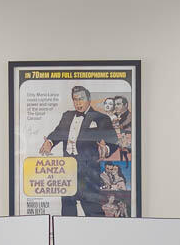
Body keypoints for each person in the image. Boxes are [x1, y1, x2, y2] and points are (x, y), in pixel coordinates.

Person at [40, 86, 119, 216]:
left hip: (88, 173)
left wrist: (105, 148)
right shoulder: (67, 115)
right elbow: (58, 132)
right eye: (75, 99)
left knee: (93, 212)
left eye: (81, 99)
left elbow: (114, 141)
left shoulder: (101, 118)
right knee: (67, 211)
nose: (78, 103)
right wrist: (49, 142)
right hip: (67, 171)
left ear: (89, 99)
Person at [111, 95, 133, 162]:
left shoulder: (130, 117)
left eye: (118, 104)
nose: (116, 107)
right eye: (115, 104)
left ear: (125, 105)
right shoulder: (112, 116)